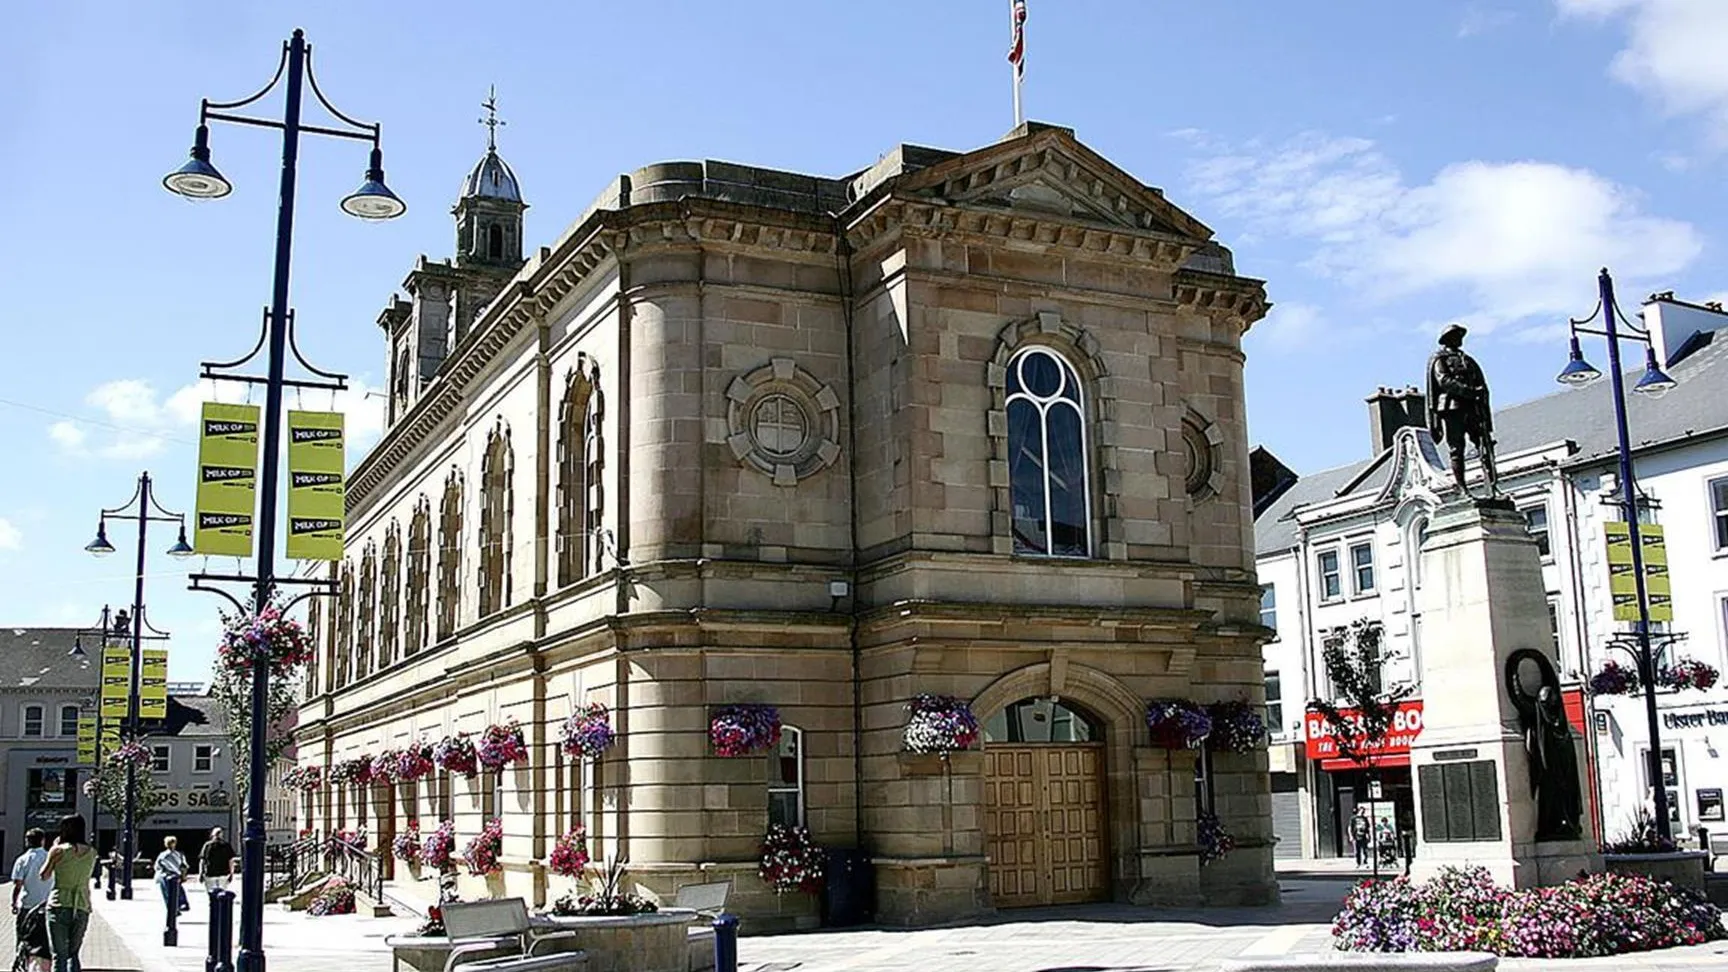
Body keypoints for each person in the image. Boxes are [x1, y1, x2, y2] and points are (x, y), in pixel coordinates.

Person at [39, 815, 96, 972]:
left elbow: (44, 875)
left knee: (59, 955)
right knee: (74, 954)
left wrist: (52, 849)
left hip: (59, 903)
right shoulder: (92, 852)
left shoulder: (58, 851)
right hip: (82, 905)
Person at [10, 828, 51, 972]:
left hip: (27, 905)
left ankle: (22, 965)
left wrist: (14, 902)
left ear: (27, 841)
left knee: (23, 938)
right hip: (46, 905)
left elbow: (18, 885)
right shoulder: (50, 858)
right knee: (44, 941)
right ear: (43, 840)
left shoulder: (22, 860)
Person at [153, 837, 190, 917]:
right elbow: (184, 866)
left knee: (167, 894)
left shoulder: (163, 855)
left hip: (165, 876)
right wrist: (183, 875)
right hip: (174, 875)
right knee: (178, 891)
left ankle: (172, 910)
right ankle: (179, 906)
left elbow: (157, 866)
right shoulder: (179, 854)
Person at [199, 827, 236, 894]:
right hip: (223, 874)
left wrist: (201, 873)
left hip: (210, 874)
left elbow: (202, 861)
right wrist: (231, 873)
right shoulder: (226, 846)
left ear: (212, 834)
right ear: (221, 835)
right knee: (222, 895)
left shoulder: (207, 845)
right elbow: (231, 861)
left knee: (211, 895)